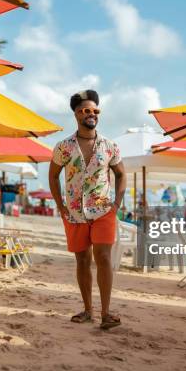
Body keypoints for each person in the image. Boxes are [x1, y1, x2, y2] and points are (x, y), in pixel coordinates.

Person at [48, 89, 126, 330]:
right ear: (76, 115)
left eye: (94, 110)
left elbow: (121, 174)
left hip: (103, 211)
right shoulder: (63, 147)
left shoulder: (110, 146)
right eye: (85, 111)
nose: (91, 114)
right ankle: (87, 310)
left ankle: (105, 313)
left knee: (103, 258)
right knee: (82, 260)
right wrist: (60, 205)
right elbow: (53, 176)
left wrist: (116, 204)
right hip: (74, 212)